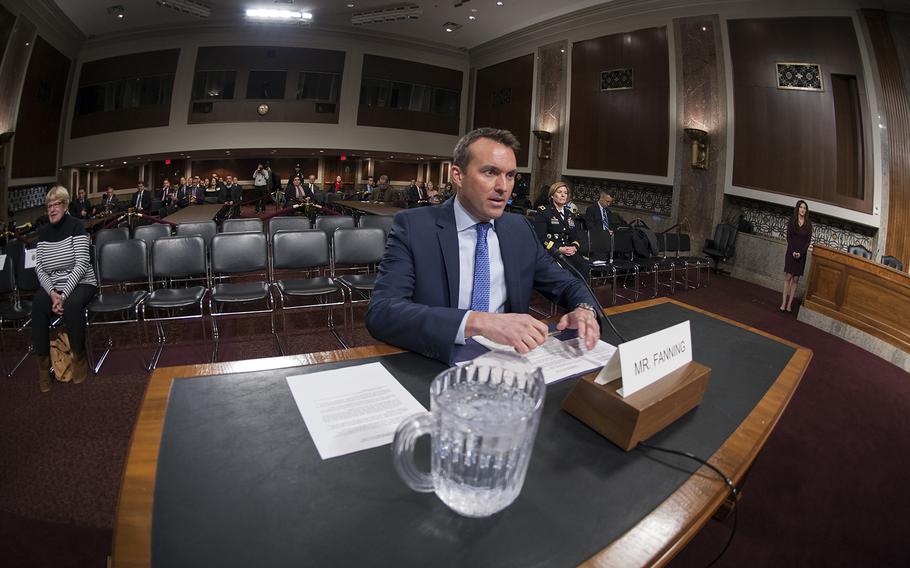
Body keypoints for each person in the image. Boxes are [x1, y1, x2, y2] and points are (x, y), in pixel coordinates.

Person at [365, 127, 599, 363]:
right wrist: (477, 322)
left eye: (510, 176)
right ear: (458, 175)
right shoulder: (415, 227)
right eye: (490, 172)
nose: (503, 187)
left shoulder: (519, 229)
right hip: (437, 362)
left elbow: (567, 284)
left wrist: (585, 309)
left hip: (509, 362)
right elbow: (383, 312)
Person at [31, 186, 98, 392]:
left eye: (56, 204)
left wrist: (63, 295)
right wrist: (52, 293)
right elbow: (40, 268)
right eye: (49, 205)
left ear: (65, 205)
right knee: (37, 306)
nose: (51, 209)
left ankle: (78, 358)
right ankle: (43, 368)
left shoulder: (76, 226)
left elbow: (81, 264)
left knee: (72, 305)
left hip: (82, 282)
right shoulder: (42, 233)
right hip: (54, 287)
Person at [534, 182, 590, 281]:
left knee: (584, 268)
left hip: (568, 250)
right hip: (553, 250)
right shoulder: (544, 212)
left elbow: (575, 235)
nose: (563, 195)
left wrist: (574, 247)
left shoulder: (569, 213)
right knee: (569, 272)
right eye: (559, 192)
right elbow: (541, 238)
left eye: (565, 192)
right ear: (552, 195)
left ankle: (580, 294)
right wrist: (558, 249)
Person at [781, 199, 813, 312]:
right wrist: (793, 251)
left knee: (795, 280)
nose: (803, 210)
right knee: (788, 277)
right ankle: (783, 303)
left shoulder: (809, 224)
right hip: (791, 252)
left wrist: (801, 253)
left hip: (801, 255)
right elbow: (789, 238)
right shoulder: (792, 221)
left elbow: (808, 242)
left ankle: (789, 305)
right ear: (798, 208)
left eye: (804, 208)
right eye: (801, 207)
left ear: (806, 210)